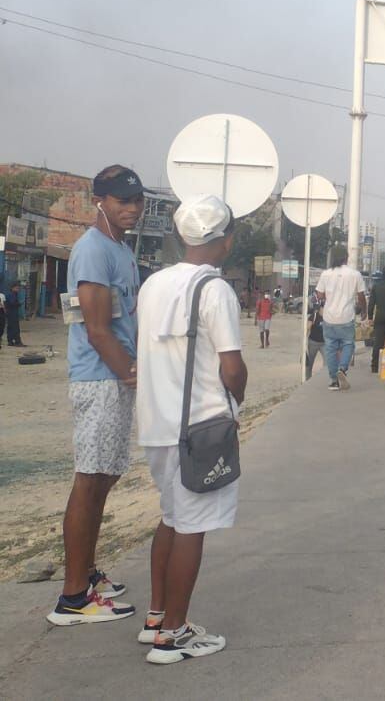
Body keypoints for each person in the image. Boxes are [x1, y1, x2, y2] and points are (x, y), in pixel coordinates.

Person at [134, 195, 244, 664]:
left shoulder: (153, 284)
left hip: (157, 425)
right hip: (200, 429)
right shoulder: (215, 290)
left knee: (172, 517)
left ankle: (157, 617)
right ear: (226, 240)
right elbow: (232, 367)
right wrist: (233, 405)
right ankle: (173, 635)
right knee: (192, 527)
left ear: (181, 235)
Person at [47, 165, 145, 627]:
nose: (132, 209)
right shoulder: (91, 250)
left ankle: (86, 575)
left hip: (115, 377)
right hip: (100, 378)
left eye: (137, 201)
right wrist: (129, 373)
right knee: (89, 480)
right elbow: (97, 327)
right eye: (122, 200)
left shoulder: (121, 249)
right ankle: (72, 599)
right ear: (99, 201)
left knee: (104, 477)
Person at [314, 249, 367, 391]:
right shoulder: (355, 274)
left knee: (330, 348)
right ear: (346, 258)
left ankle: (333, 381)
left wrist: (328, 297)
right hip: (346, 317)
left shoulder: (326, 274)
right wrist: (364, 311)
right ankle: (342, 369)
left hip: (329, 317)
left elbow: (319, 295)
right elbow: (361, 296)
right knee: (348, 345)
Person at [304, 306, 325, 381]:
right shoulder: (314, 316)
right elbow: (307, 328)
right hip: (313, 343)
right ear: (320, 309)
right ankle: (307, 379)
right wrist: (304, 340)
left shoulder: (328, 317)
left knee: (328, 362)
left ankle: (324, 378)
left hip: (324, 344)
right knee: (310, 362)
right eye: (323, 308)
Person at [6, 280, 23, 346]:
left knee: (10, 327)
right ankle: (17, 341)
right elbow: (12, 303)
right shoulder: (11, 294)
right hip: (12, 313)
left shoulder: (13, 294)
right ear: (12, 288)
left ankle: (10, 341)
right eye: (17, 288)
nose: (18, 289)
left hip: (11, 313)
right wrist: (18, 304)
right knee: (15, 327)